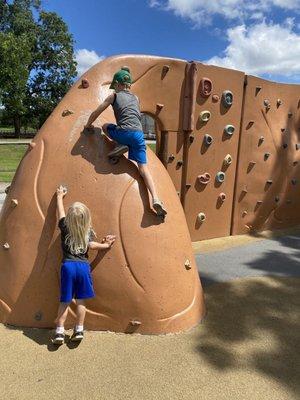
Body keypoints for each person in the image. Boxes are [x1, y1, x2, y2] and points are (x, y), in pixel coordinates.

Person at [84, 67, 167, 218]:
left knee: (104, 126)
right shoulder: (136, 98)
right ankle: (155, 198)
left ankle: (119, 145)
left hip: (124, 133)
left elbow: (97, 111)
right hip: (139, 135)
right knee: (143, 168)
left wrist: (88, 125)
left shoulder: (114, 96)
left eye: (114, 85)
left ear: (117, 84)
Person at [52, 185, 116, 345]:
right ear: (86, 219)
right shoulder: (86, 232)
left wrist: (59, 196)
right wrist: (106, 246)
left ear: (69, 219)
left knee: (65, 301)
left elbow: (60, 212)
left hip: (68, 267)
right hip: (83, 267)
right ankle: (79, 329)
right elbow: (92, 246)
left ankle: (59, 332)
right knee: (81, 301)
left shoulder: (65, 227)